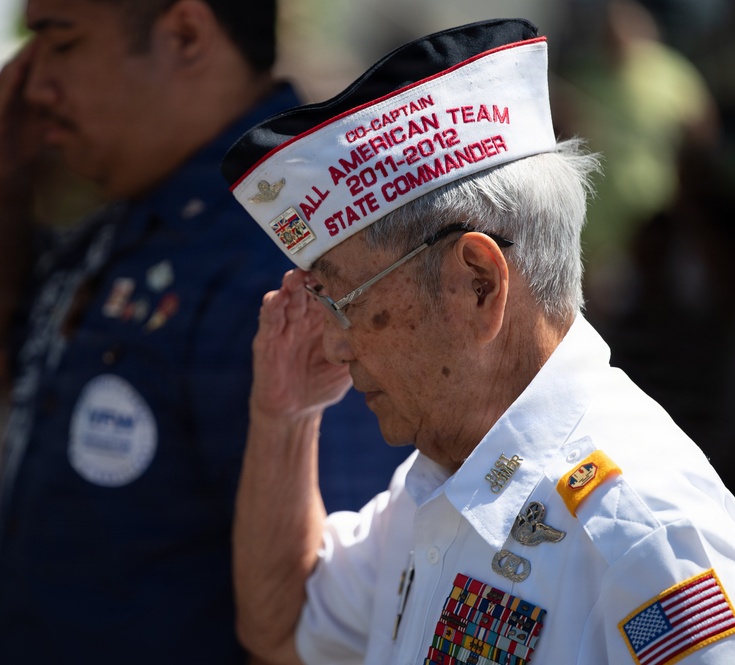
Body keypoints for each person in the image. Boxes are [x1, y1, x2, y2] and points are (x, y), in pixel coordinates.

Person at [221, 18, 735, 665]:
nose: (335, 343)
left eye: (346, 300)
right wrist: (283, 416)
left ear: (476, 284)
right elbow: (285, 625)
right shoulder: (443, 474)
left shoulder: (641, 531)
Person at [0, 0, 406, 662]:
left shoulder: (295, 256)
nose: (32, 84)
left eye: (60, 44)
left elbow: (328, 609)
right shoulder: (139, 213)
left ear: (184, 34)